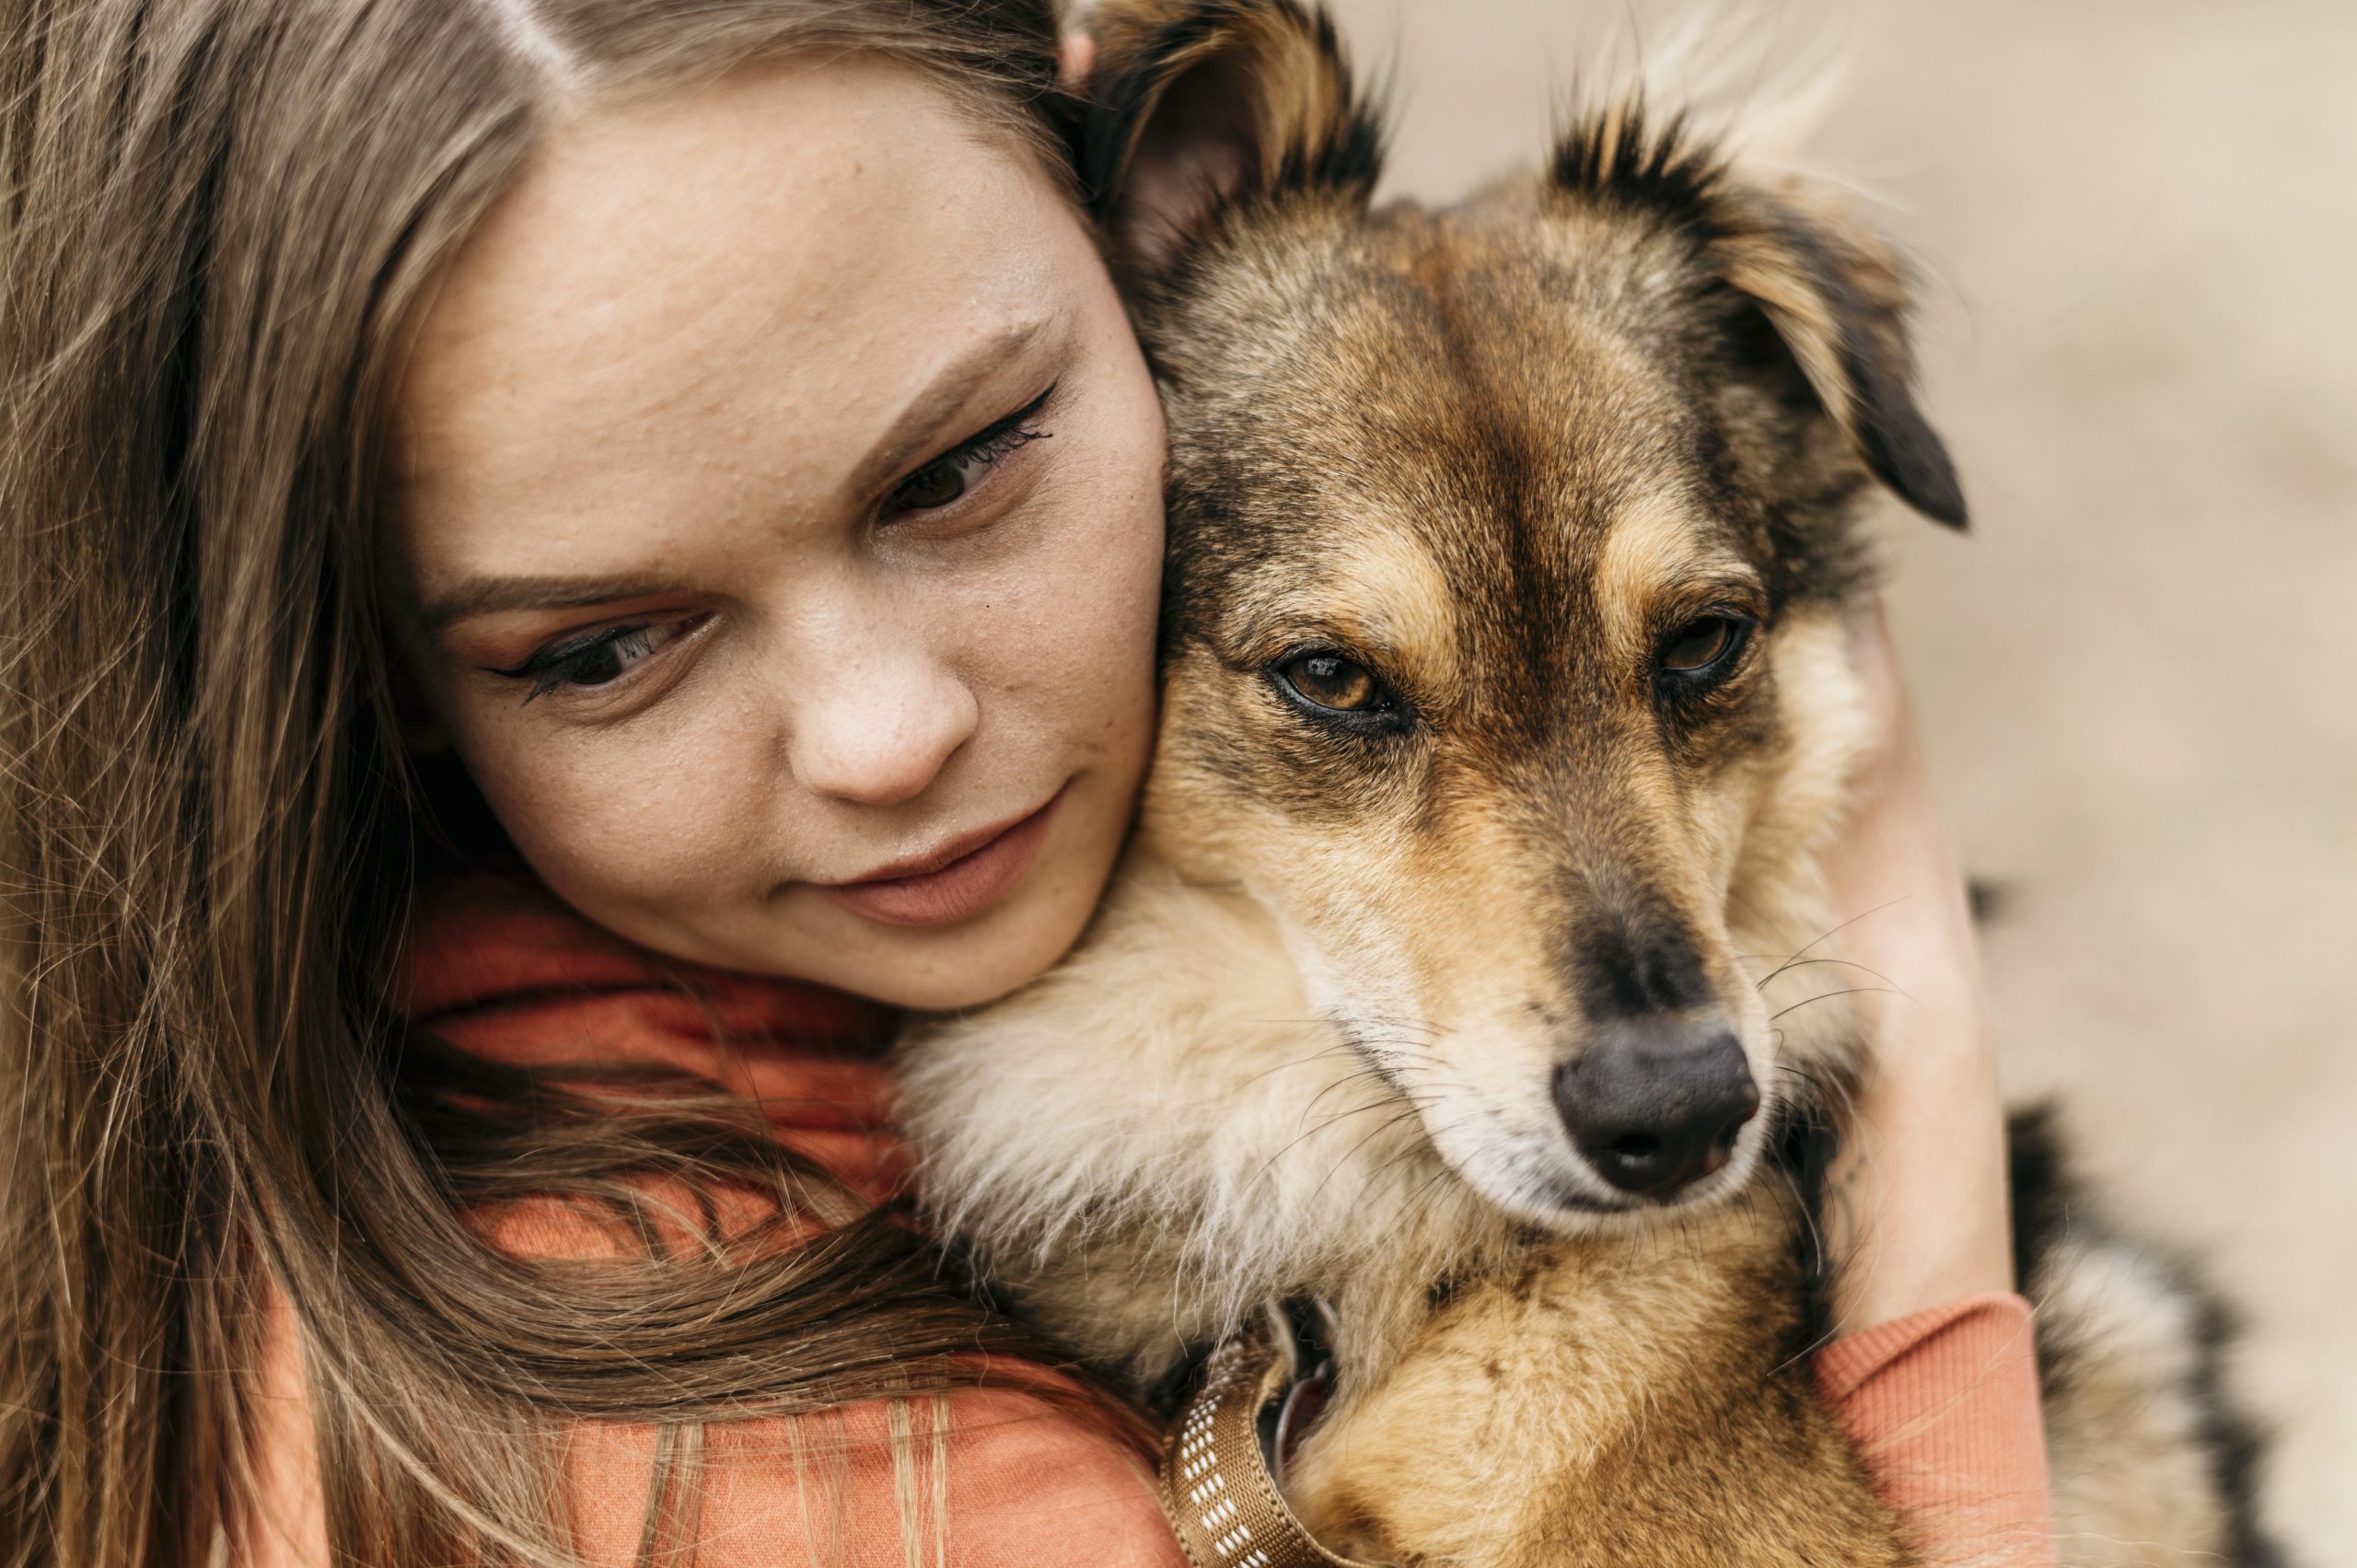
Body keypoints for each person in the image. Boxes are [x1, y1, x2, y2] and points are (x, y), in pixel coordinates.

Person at [0, 1, 2049, 1563]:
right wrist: (1929, 1130)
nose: (887, 736)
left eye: (959, 465)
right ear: (349, 669)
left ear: (1103, 177)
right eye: (605, 643)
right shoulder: (853, 1489)